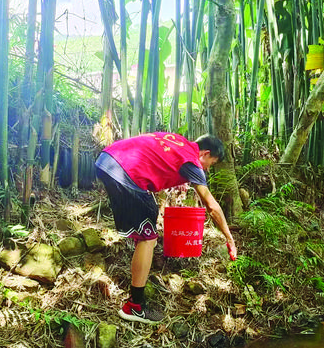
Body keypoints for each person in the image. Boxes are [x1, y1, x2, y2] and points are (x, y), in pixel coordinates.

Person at [95, 132, 238, 323]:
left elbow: (156, 158)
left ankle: (136, 295)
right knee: (148, 238)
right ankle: (134, 307)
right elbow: (212, 206)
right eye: (210, 164)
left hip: (107, 159)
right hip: (124, 171)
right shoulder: (193, 163)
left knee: (147, 221)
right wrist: (229, 237)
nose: (207, 169)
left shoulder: (177, 141)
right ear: (205, 153)